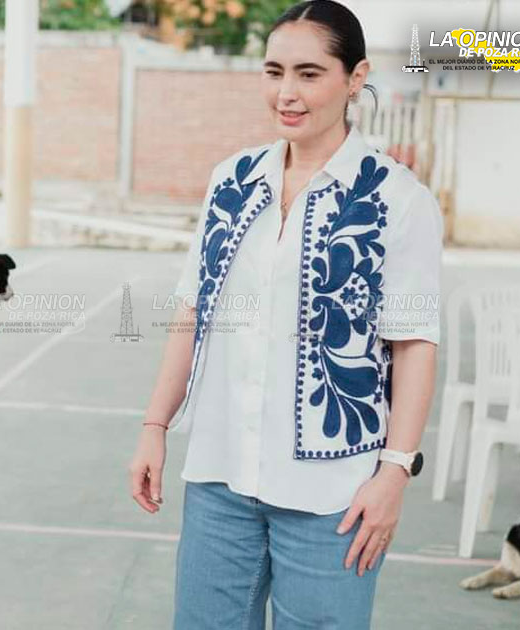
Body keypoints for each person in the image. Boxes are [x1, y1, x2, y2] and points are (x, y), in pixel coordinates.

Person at [127, 2, 442, 628]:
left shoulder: (398, 199)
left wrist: (394, 474)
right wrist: (154, 425)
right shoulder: (232, 180)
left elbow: (413, 344)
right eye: (274, 72)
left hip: (335, 494)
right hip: (220, 478)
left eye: (309, 73)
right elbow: (194, 309)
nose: (286, 93)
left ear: (355, 78)